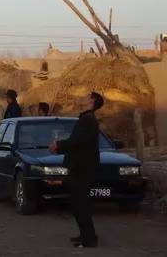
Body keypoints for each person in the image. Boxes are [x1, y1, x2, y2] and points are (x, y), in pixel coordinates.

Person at [49, 92, 104, 249]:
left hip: (82, 168)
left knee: (81, 204)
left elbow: (77, 141)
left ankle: (89, 239)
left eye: (86, 96)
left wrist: (58, 145)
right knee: (78, 204)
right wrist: (60, 148)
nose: (82, 97)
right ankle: (85, 235)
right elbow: (77, 143)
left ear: (91, 101)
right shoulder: (85, 118)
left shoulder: (88, 120)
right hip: (80, 167)